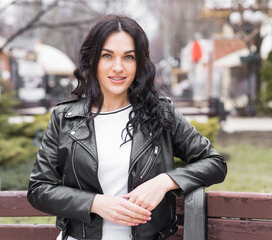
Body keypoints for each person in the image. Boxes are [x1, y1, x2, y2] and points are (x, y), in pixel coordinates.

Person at [27, 14, 227, 240]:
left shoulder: (161, 113)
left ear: (139, 63)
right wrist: (95, 203)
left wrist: (164, 182)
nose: (118, 67)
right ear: (92, 60)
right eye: (107, 56)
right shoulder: (65, 117)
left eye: (128, 57)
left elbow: (215, 163)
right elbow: (39, 189)